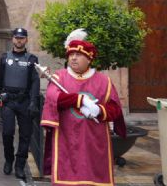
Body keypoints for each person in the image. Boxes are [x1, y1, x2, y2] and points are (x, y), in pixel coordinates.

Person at [41, 38, 126, 185]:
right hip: (66, 138)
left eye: (78, 55)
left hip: (94, 140)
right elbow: (53, 97)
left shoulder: (104, 81)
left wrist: (99, 110)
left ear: (89, 59)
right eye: (71, 54)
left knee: (94, 177)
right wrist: (79, 100)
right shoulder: (59, 77)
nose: (73, 58)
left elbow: (115, 108)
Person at [0, 27, 40, 179]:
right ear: (12, 39)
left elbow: (34, 82)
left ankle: (19, 165)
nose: (19, 40)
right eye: (16, 37)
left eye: (22, 38)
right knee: (7, 132)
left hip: (24, 101)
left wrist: (33, 102)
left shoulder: (32, 59)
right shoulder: (5, 57)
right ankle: (8, 159)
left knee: (25, 136)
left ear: (26, 40)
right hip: (8, 101)